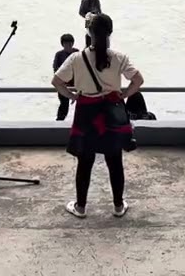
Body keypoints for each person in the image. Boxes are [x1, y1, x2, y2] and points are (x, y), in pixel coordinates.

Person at [52, 13, 143, 219]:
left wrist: (72, 95)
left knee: (85, 162)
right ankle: (118, 206)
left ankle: (81, 207)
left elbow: (56, 82)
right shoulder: (119, 58)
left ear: (89, 33)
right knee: (114, 161)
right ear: (110, 32)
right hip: (112, 113)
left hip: (86, 114)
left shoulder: (76, 58)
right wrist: (124, 94)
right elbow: (138, 80)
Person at [53, 34, 79, 121]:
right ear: (63, 44)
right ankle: (59, 121)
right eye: (66, 44)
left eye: (70, 44)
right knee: (64, 105)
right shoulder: (59, 55)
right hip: (63, 84)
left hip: (77, 83)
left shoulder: (77, 53)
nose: (68, 46)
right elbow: (56, 69)